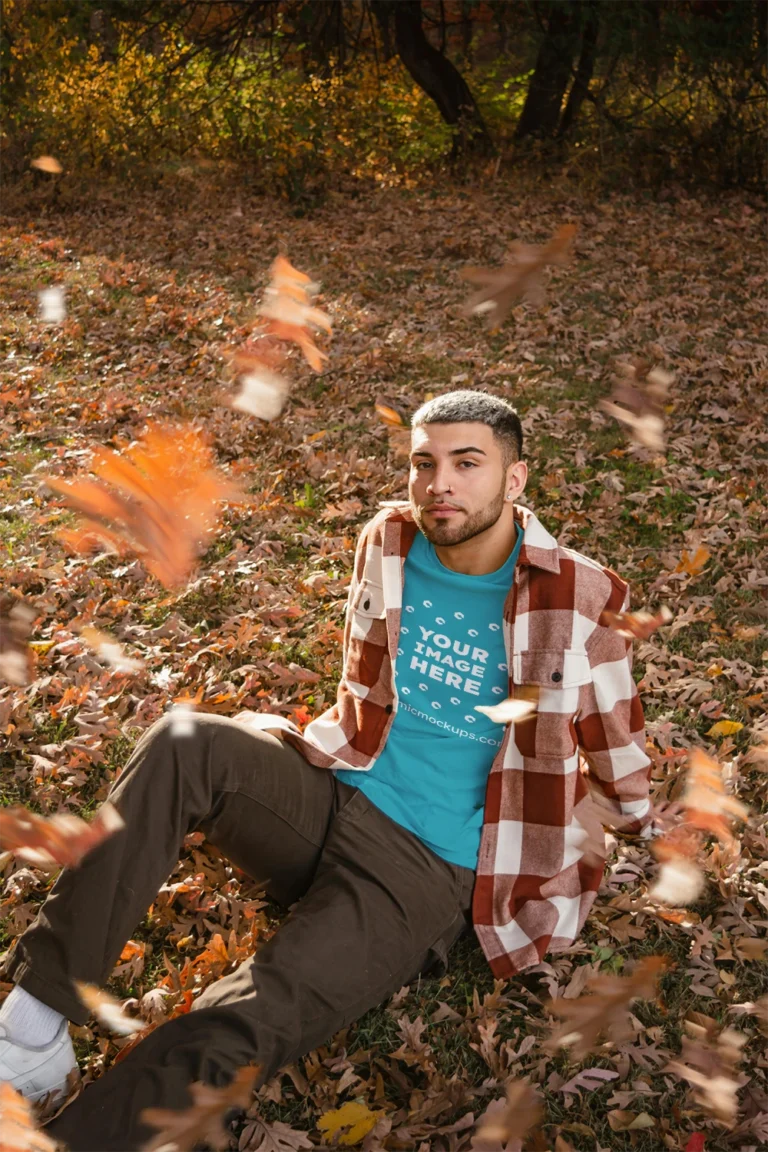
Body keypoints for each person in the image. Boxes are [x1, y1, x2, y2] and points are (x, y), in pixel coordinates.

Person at [0, 390, 653, 1150]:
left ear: (514, 481)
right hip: (337, 788)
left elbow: (623, 775)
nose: (439, 482)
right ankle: (33, 1026)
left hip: (424, 868)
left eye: (467, 464)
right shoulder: (389, 540)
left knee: (247, 1013)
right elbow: (364, 690)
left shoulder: (578, 597)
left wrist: (551, 854)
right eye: (424, 463)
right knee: (185, 740)